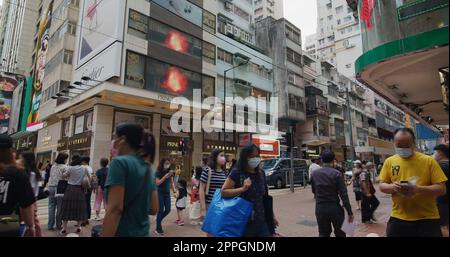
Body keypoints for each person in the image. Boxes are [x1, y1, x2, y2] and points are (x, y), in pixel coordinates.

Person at [379, 128, 447, 237]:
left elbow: (442, 189)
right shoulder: (389, 161)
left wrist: (417, 189)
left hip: (427, 219)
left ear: (413, 143)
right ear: (394, 143)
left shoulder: (428, 161)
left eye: (407, 145)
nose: (403, 148)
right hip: (398, 218)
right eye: (399, 145)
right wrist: (394, 187)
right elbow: (382, 185)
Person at [102, 123, 158, 237]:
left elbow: (115, 209)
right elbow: (153, 208)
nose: (113, 141)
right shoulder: (147, 168)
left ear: (122, 139)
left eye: (114, 137)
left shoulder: (119, 163)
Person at [221, 144, 278, 237]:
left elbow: (265, 198)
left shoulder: (261, 173)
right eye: (252, 156)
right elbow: (223, 192)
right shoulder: (237, 172)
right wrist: (242, 189)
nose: (255, 159)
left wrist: (272, 216)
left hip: (261, 221)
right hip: (243, 222)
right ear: (245, 158)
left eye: (257, 156)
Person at [311, 150, 354, 237]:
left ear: (322, 160)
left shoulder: (314, 174)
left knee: (323, 233)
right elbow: (344, 195)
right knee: (340, 233)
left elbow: (314, 190)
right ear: (333, 160)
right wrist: (349, 212)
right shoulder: (337, 174)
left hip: (320, 208)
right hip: (335, 208)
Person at [0, 135, 36, 237]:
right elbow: (26, 205)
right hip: (6, 226)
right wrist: (30, 226)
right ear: (10, 151)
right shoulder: (18, 173)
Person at [59, 155, 88, 236]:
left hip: (70, 189)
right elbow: (85, 178)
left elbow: (64, 176)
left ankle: (64, 228)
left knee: (66, 208)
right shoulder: (84, 168)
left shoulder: (70, 168)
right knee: (79, 208)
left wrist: (63, 172)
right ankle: (79, 227)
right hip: (80, 189)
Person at [19, 152, 43, 237]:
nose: (19, 160)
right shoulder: (35, 172)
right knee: (33, 222)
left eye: (21, 158)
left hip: (28, 201)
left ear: (26, 160)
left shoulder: (29, 173)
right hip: (33, 199)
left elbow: (29, 188)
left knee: (31, 223)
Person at [199, 149, 228, 219]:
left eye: (224, 156)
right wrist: (203, 208)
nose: (223, 158)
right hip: (210, 205)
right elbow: (201, 189)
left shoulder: (224, 172)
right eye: (221, 155)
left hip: (222, 205)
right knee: (210, 228)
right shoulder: (207, 170)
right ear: (215, 157)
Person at [47, 153, 69, 230]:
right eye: (66, 159)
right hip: (60, 188)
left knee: (51, 206)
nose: (66, 160)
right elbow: (66, 177)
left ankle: (50, 225)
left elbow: (50, 176)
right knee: (60, 206)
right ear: (64, 159)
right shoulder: (65, 167)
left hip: (51, 186)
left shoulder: (53, 166)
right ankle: (58, 225)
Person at [154, 157, 176, 236]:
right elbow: (157, 183)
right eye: (166, 163)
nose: (168, 165)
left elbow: (172, 182)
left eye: (169, 163)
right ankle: (158, 228)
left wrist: (174, 191)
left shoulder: (170, 171)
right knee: (160, 210)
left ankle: (158, 220)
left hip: (167, 193)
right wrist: (165, 176)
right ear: (162, 163)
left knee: (168, 209)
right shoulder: (158, 172)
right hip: (159, 192)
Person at [433, 144, 449, 237]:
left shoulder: (440, 167)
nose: (434, 155)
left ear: (440, 153)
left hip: (443, 202)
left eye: (435, 153)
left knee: (441, 227)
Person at [81, 156, 94, 226]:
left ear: (84, 161)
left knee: (83, 203)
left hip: (84, 187)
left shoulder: (83, 167)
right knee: (87, 202)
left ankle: (83, 220)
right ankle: (87, 219)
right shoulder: (90, 168)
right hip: (89, 187)